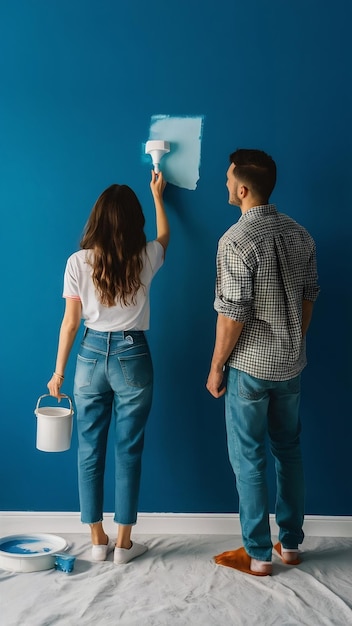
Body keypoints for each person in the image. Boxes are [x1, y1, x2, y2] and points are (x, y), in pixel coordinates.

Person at [206, 149, 319, 576]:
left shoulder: (235, 240)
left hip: (250, 368)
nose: (225, 185)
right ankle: (289, 545)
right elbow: (309, 296)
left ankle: (257, 555)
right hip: (291, 363)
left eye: (228, 178)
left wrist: (217, 367)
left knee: (249, 457)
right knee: (288, 451)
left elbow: (232, 313)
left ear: (243, 188)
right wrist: (293, 341)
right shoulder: (301, 235)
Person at [47, 170, 169, 565]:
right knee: (128, 449)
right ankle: (124, 544)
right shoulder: (146, 256)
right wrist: (158, 195)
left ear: (96, 218)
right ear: (135, 222)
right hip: (133, 355)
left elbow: (69, 323)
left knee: (89, 450)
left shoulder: (77, 262)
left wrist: (58, 373)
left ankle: (97, 540)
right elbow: (165, 237)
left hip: (89, 356)